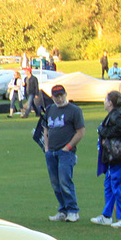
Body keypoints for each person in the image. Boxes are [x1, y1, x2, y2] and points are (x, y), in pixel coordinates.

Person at [39, 84, 85, 222]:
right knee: (55, 183)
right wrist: (47, 148)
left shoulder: (74, 110)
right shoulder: (50, 109)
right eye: (56, 96)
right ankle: (63, 210)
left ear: (65, 94)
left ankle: (73, 210)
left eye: (61, 96)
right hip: (51, 152)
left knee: (65, 180)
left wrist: (68, 147)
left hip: (66, 153)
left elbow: (81, 131)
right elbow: (46, 129)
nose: (59, 99)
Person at [92, 90, 121, 228]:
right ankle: (107, 215)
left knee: (119, 184)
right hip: (117, 156)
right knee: (110, 184)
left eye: (106, 100)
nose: (104, 102)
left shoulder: (117, 115)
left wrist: (103, 131)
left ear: (110, 103)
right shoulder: (115, 115)